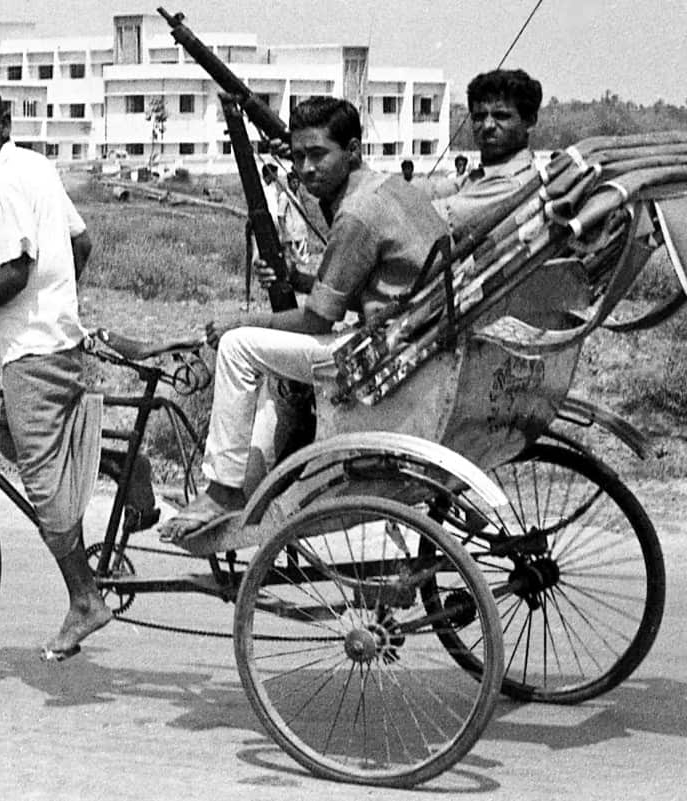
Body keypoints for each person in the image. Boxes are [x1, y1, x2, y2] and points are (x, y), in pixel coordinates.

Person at [158, 96, 447, 541]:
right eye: (298, 156)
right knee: (274, 366)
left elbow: (317, 322)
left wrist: (240, 321)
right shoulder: (391, 189)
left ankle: (223, 490)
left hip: (382, 353)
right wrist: (299, 277)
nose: (307, 168)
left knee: (238, 348)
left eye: (318, 154)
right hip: (411, 337)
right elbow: (373, 287)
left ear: (352, 150)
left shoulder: (356, 214)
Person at [0, 83, 127, 662]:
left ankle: (85, 599)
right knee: (18, 444)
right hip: (57, 340)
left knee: (43, 486)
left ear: (2, 122)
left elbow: (15, 271)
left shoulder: (4, 181)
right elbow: (80, 243)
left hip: (33, 355)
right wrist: (57, 303)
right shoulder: (34, 166)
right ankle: (125, 468)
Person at [421, 68, 542, 239]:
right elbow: (433, 190)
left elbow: (437, 217)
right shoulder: (487, 174)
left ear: (529, 121)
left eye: (501, 116)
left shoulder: (514, 184)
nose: (487, 125)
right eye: (479, 116)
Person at [277, 170, 310, 268]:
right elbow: (280, 216)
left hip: (301, 232)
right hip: (291, 233)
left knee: (303, 260)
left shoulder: (297, 195)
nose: (296, 185)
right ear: (289, 183)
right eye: (293, 182)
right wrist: (284, 232)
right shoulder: (284, 196)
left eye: (297, 182)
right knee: (293, 260)